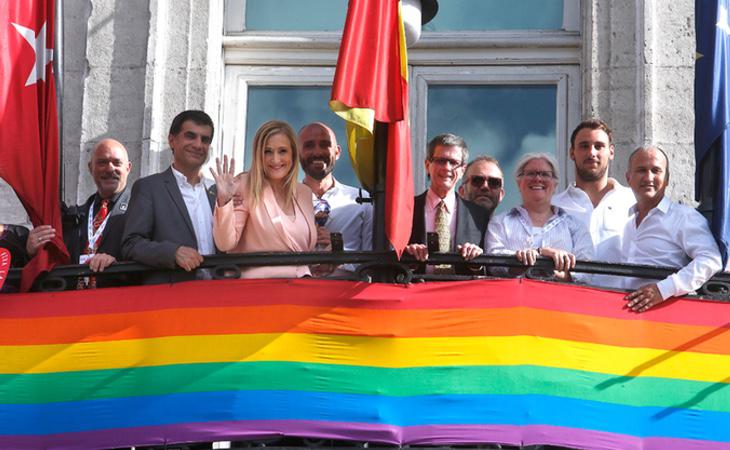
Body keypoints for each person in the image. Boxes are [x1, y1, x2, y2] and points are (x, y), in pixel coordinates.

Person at [212, 120, 317, 279]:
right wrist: (224, 201)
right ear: (258, 155)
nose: (275, 160)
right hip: (256, 290)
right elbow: (225, 244)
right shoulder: (245, 184)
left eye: (282, 151)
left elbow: (300, 248)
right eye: (268, 151)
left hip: (300, 289)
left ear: (293, 154)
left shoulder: (304, 192)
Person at [122, 110, 218, 283]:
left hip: (221, 298)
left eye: (205, 139)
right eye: (191, 136)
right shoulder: (149, 188)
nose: (198, 145)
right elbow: (131, 244)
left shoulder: (218, 191)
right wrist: (173, 253)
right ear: (172, 140)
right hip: (171, 298)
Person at [622, 146, 722, 312]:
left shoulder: (684, 217)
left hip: (665, 314)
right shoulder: (625, 221)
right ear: (628, 178)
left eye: (656, 170)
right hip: (622, 312)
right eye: (641, 170)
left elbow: (711, 259)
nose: (648, 177)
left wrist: (664, 290)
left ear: (667, 179)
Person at [24, 139, 132, 288]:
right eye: (102, 162)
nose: (109, 168)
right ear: (90, 167)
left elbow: (147, 255)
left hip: (119, 304)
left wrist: (117, 265)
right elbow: (56, 258)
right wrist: (32, 251)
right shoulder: (73, 216)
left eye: (116, 162)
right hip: (73, 305)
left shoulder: (140, 212)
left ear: (128, 167)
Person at [552, 119, 635, 286]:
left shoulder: (633, 201)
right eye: (584, 146)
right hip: (565, 305)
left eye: (599, 146)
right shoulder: (553, 206)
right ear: (572, 153)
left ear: (611, 152)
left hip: (621, 305)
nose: (592, 153)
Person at [486, 153, 594, 280]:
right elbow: (493, 262)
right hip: (514, 298)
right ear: (519, 183)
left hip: (560, 298)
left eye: (545, 174)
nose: (537, 179)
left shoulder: (575, 226)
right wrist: (539, 253)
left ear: (555, 184)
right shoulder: (500, 223)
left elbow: (587, 270)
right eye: (531, 173)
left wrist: (557, 274)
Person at [298, 122, 372, 276]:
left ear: (337, 152)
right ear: (298, 153)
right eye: (309, 146)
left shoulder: (362, 200)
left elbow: (373, 262)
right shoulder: (283, 200)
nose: (317, 152)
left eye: (325, 145)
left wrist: (340, 253)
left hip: (345, 295)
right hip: (295, 294)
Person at [406, 134, 487, 273]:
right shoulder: (406, 210)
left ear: (462, 170)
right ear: (427, 165)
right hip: (415, 290)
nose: (447, 168)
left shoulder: (479, 216)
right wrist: (409, 258)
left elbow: (489, 271)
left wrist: (476, 262)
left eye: (454, 162)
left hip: (460, 292)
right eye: (441, 161)